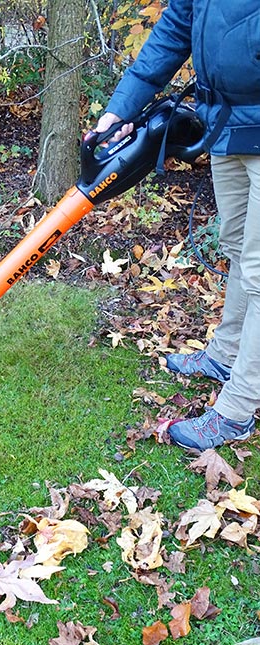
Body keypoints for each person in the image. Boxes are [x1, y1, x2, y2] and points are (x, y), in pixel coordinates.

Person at [95, 2, 260, 451]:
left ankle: (237, 411)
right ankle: (226, 355)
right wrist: (121, 109)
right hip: (228, 124)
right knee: (236, 245)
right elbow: (175, 28)